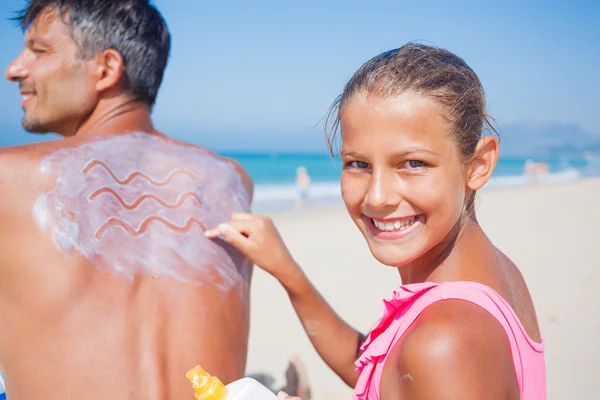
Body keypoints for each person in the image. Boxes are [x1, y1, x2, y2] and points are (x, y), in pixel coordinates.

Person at [206, 43, 546, 399]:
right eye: (359, 164)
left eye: (413, 163)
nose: (377, 196)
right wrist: (286, 270)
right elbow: (380, 372)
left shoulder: (443, 342)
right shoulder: (492, 273)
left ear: (477, 166)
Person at [0, 1, 255, 398]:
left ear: (106, 69)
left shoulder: (6, 178)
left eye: (38, 50)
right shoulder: (230, 180)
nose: (14, 69)